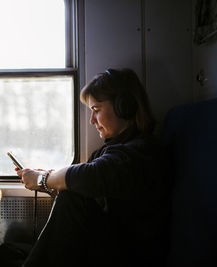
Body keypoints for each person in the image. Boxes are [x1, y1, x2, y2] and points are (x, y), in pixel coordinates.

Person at [16, 68, 170, 267]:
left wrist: (43, 178)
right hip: (110, 244)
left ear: (125, 107)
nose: (91, 121)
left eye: (96, 110)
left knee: (73, 195)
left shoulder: (142, 153)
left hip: (131, 253)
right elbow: (89, 189)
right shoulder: (111, 151)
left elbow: (86, 177)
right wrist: (49, 183)